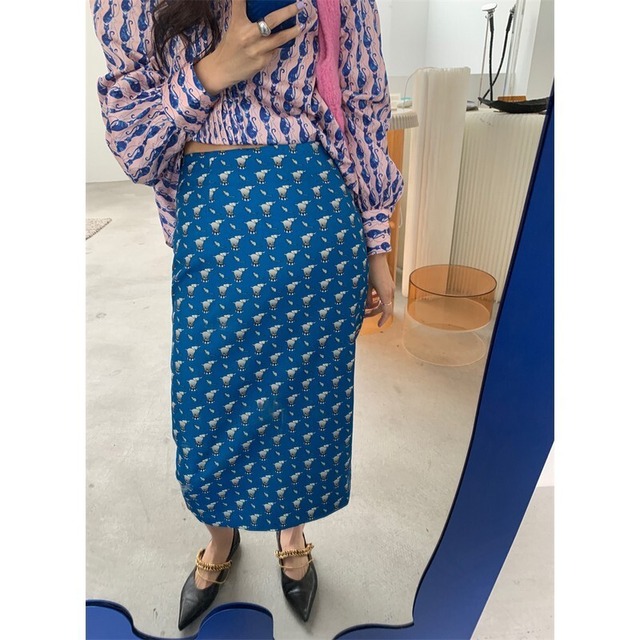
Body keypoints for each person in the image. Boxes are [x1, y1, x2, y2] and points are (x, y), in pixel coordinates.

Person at [91, 0, 404, 630]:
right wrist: (211, 73)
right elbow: (133, 148)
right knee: (207, 407)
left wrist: (376, 242)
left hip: (316, 226)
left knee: (306, 410)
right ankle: (221, 538)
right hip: (214, 231)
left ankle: (293, 533)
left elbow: (365, 106)